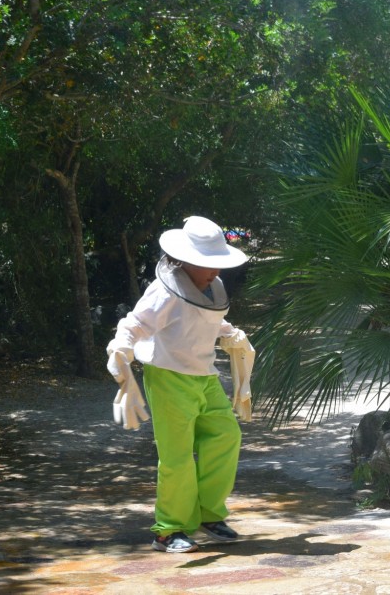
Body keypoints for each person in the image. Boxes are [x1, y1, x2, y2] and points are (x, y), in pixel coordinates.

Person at [107, 215, 254, 553]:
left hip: (205, 376)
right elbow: (135, 324)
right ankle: (168, 530)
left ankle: (208, 513)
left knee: (226, 436)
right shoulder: (164, 291)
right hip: (168, 376)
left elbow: (209, 319)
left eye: (217, 262)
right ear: (185, 260)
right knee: (177, 456)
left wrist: (231, 334)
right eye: (207, 262)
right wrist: (121, 348)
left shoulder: (212, 286)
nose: (215, 269)